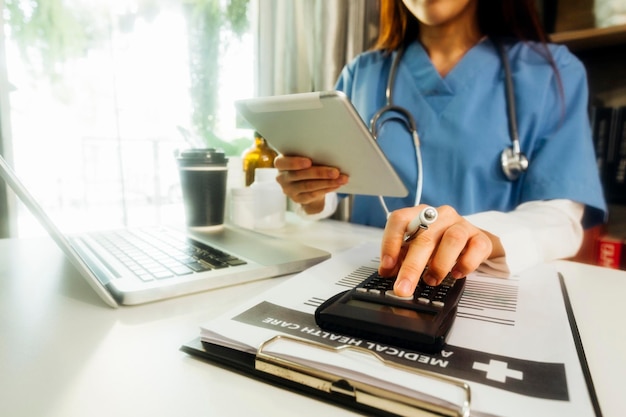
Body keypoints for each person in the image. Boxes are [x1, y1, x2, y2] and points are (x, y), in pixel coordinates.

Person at [274, 0, 607, 297]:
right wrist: (312, 192)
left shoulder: (551, 72)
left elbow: (561, 219)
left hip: (485, 288)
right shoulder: (362, 72)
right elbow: (335, 188)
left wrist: (482, 236)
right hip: (372, 280)